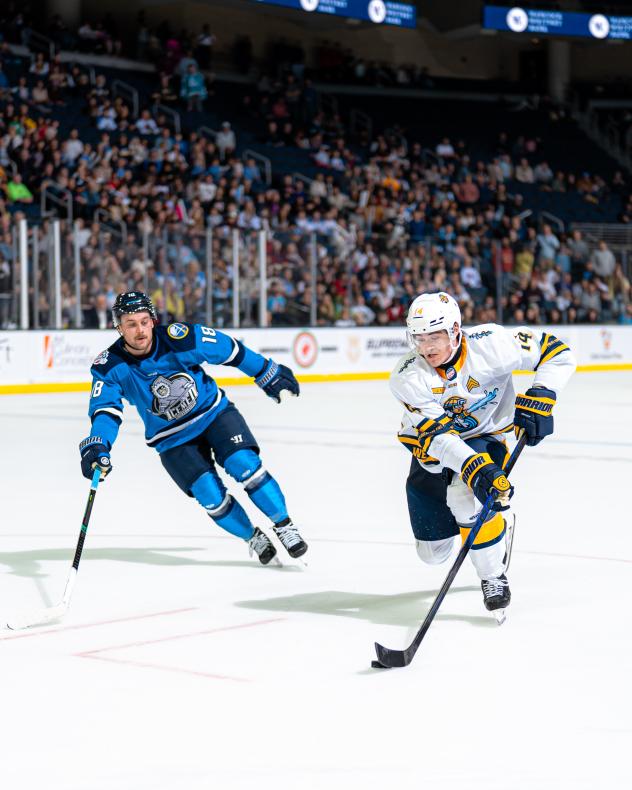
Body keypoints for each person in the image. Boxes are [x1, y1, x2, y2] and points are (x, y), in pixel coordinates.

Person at [79, 291, 307, 565]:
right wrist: (98, 443)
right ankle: (252, 536)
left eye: (144, 321)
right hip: (171, 439)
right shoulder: (109, 366)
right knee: (210, 496)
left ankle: (283, 524)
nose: (139, 330)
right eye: (130, 324)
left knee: (244, 464)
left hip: (213, 414)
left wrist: (264, 370)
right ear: (118, 328)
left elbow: (226, 348)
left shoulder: (179, 337)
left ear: (153, 320)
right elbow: (106, 411)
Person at [390, 291, 575, 618]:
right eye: (419, 338)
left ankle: (492, 576)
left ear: (456, 330)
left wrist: (543, 394)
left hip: (485, 435)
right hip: (431, 453)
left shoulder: (492, 343)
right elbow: (439, 439)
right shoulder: (408, 375)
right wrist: (476, 468)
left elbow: (556, 352)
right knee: (432, 554)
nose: (427, 346)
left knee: (466, 495)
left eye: (435, 336)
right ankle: (491, 526)